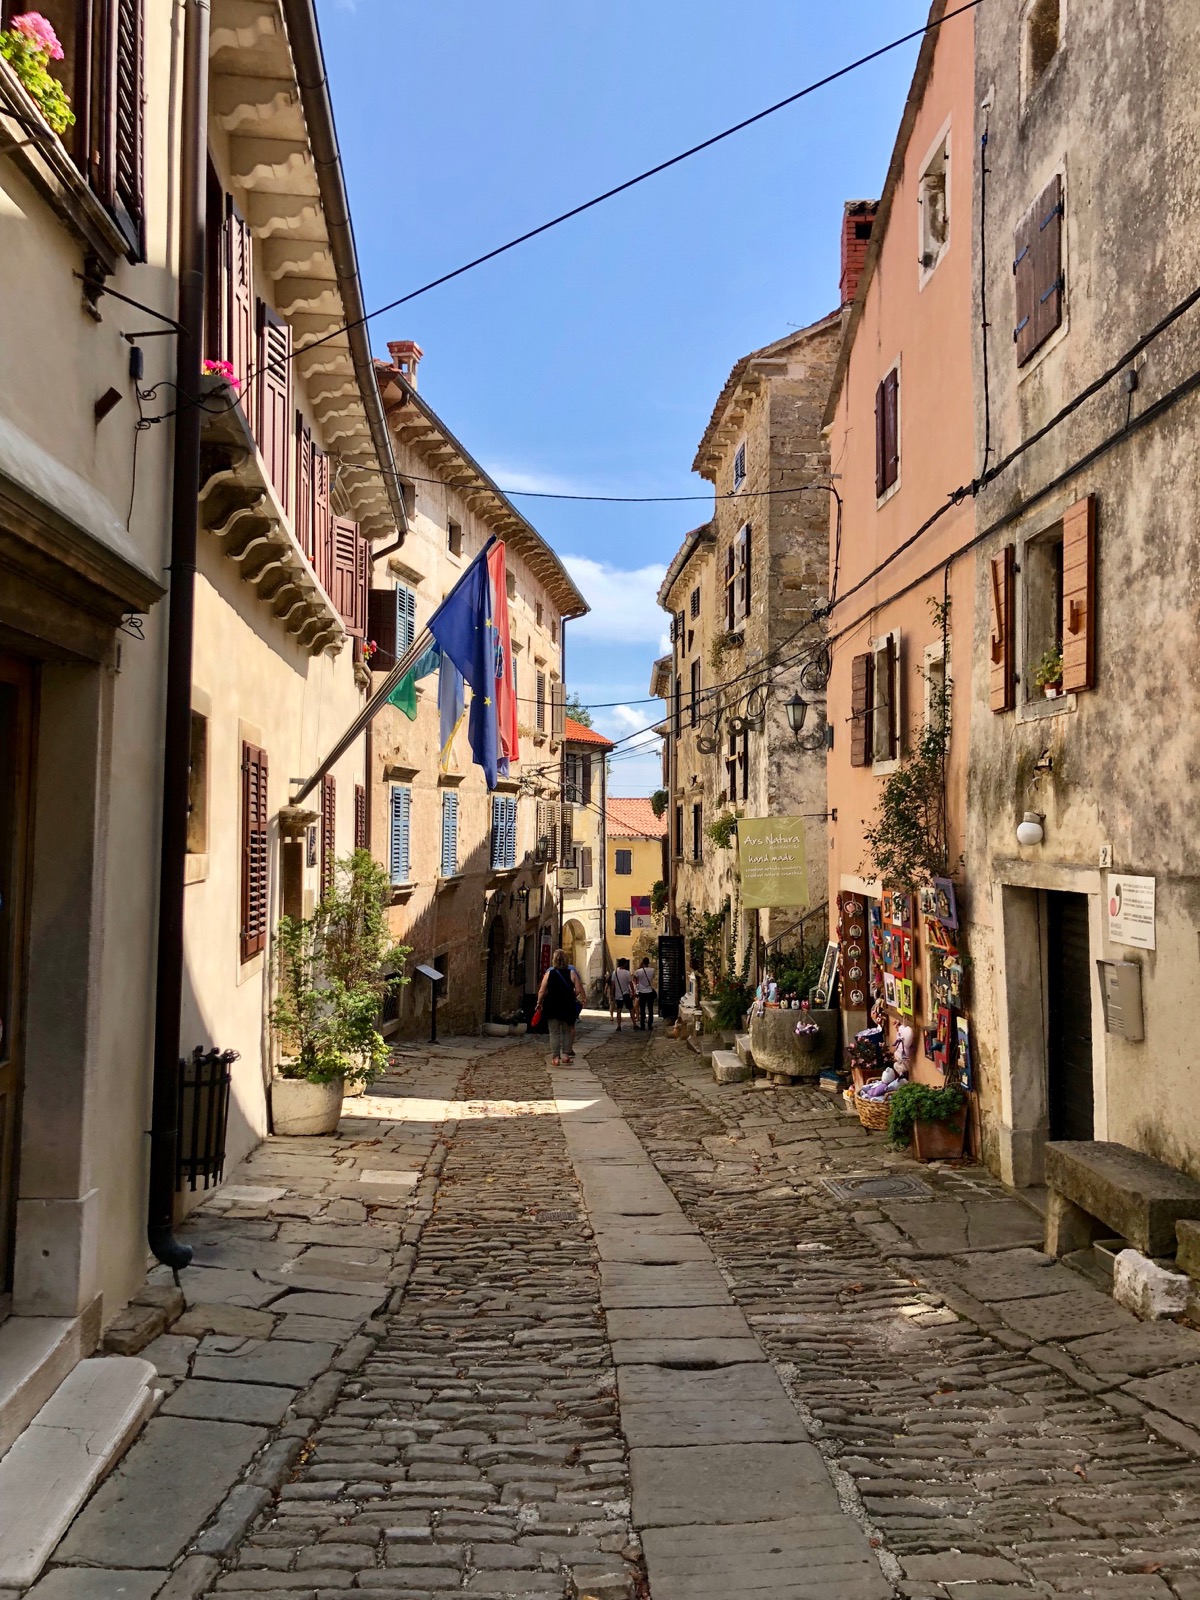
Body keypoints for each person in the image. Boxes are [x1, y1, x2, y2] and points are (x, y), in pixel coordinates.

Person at [536, 949, 581, 1066]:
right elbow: (578, 990)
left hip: (552, 1005)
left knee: (554, 1032)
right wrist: (571, 996)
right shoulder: (572, 973)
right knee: (567, 1032)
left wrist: (538, 1003)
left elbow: (542, 990)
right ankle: (566, 1055)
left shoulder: (549, 973)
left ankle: (555, 1057)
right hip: (567, 1006)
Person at [609, 959, 634, 1030]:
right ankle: (634, 1024)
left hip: (618, 994)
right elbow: (630, 983)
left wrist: (611, 994)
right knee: (631, 1009)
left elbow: (612, 984)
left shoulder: (615, 972)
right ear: (625, 964)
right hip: (626, 993)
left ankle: (619, 1025)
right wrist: (633, 992)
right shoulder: (627, 973)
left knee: (619, 1010)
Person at [634, 956, 656, 1031]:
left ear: (643, 963)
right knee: (650, 1009)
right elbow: (652, 977)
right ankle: (650, 1025)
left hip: (642, 992)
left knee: (642, 1009)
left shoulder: (638, 971)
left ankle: (642, 1025)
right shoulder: (652, 970)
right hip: (649, 991)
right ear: (648, 963)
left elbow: (635, 978)